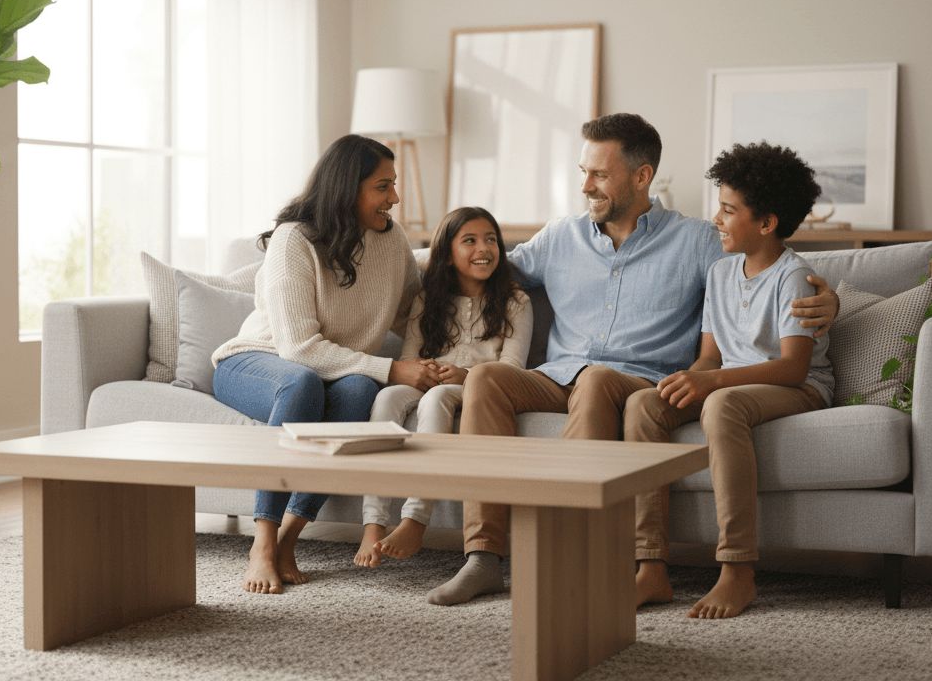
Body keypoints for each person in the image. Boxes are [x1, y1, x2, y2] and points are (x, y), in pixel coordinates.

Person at [427, 113, 839, 607]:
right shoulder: (560, 236)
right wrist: (414, 264)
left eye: (599, 174)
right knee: (489, 378)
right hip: (559, 377)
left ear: (641, 176)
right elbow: (480, 267)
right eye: (584, 172)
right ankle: (483, 558)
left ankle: (572, 552)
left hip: (634, 380)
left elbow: (766, 265)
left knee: (599, 378)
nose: (586, 186)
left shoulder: (699, 241)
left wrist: (831, 301)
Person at [211, 134, 436, 595]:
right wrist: (394, 370)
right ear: (347, 188)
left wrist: (446, 353)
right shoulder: (295, 239)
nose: (394, 197)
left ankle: (290, 539)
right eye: (383, 186)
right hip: (256, 362)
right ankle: (262, 541)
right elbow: (297, 350)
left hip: (325, 371)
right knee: (301, 384)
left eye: (393, 185)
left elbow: (412, 312)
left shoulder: (391, 241)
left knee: (358, 390)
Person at [655, 141, 833, 619]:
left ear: (766, 223)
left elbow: (794, 367)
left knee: (722, 404)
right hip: (733, 385)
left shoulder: (793, 277)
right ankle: (649, 564)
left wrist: (712, 385)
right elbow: (710, 357)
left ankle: (737, 570)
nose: (716, 218)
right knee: (645, 406)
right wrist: (683, 381)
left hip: (798, 390)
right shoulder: (719, 272)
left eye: (728, 210)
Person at [354, 207, 533, 568]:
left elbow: (513, 369)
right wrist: (427, 370)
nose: (484, 248)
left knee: (435, 398)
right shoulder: (427, 300)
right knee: (387, 395)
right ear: (448, 255)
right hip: (430, 379)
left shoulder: (516, 302)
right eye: (469, 240)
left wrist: (466, 376)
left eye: (491, 240)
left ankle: (416, 518)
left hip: (478, 388)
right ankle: (373, 522)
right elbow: (410, 357)